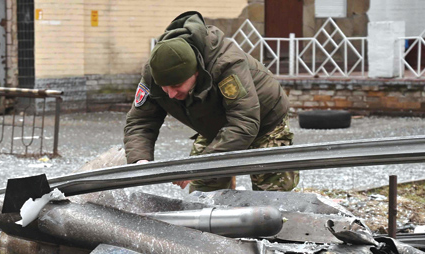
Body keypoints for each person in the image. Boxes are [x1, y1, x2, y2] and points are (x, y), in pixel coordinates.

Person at [124, 11, 298, 193]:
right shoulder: (155, 72)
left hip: (265, 123)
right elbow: (140, 121)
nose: (171, 94)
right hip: (216, 127)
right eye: (164, 87)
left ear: (196, 72)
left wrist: (198, 166)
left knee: (272, 198)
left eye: (176, 86)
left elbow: (244, 123)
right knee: (203, 195)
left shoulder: (226, 64)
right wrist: (140, 160)